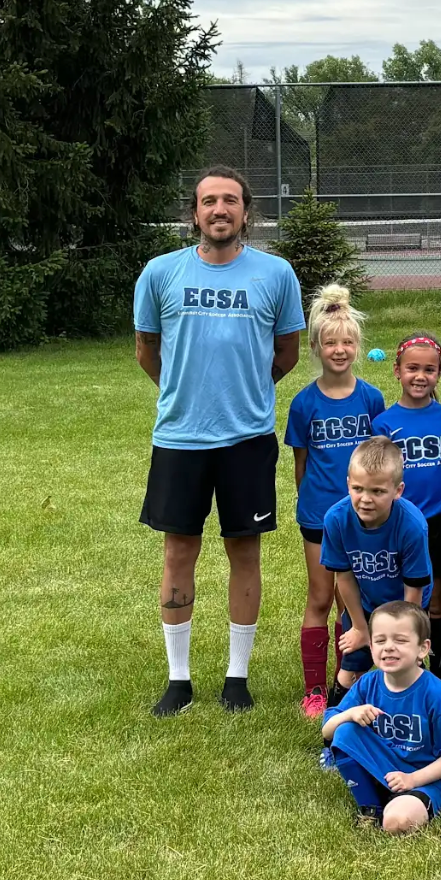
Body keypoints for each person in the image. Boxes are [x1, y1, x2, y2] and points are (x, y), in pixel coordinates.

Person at [133, 165, 303, 716]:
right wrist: (188, 394)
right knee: (178, 550)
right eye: (209, 201)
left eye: (230, 200)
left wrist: (242, 393)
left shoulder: (276, 275)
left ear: (246, 212)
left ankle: (237, 676)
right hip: (180, 438)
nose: (220, 210)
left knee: (243, 551)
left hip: (247, 438)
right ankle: (178, 680)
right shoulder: (159, 274)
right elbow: (147, 351)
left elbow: (286, 355)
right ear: (195, 213)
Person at [284, 285, 385, 717]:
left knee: (355, 601)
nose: (339, 350)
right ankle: (314, 690)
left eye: (347, 342)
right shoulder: (304, 403)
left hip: (363, 518)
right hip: (319, 516)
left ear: (357, 346)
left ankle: (351, 681)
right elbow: (301, 465)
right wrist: (313, 505)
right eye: (330, 343)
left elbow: (379, 460)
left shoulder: (371, 398)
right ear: (316, 347)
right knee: (321, 597)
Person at [321, 601, 441, 832]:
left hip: (424, 779)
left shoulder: (439, 695)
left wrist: (412, 780)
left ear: (422, 648)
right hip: (379, 770)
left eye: (400, 640)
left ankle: (398, 804)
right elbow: (328, 731)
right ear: (371, 647)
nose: (388, 647)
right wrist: (350, 713)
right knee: (345, 729)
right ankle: (369, 807)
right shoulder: (367, 684)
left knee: (396, 822)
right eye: (380, 641)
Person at [371, 332, 441, 683]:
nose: (420, 376)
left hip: (438, 523)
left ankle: (438, 678)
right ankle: (402, 672)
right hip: (399, 525)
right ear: (397, 371)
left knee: (435, 603)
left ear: (439, 373)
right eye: (412, 368)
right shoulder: (383, 423)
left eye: (429, 369)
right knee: (406, 603)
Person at [320, 437, 432, 703]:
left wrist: (403, 637)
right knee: (350, 672)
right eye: (358, 488)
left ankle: (414, 723)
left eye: (378, 491)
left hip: (406, 606)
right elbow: (344, 578)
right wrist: (361, 628)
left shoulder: (412, 526)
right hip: (365, 605)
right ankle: (335, 735)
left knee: (406, 667)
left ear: (398, 490)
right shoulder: (336, 520)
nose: (366, 499)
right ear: (348, 483)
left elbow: (413, 591)